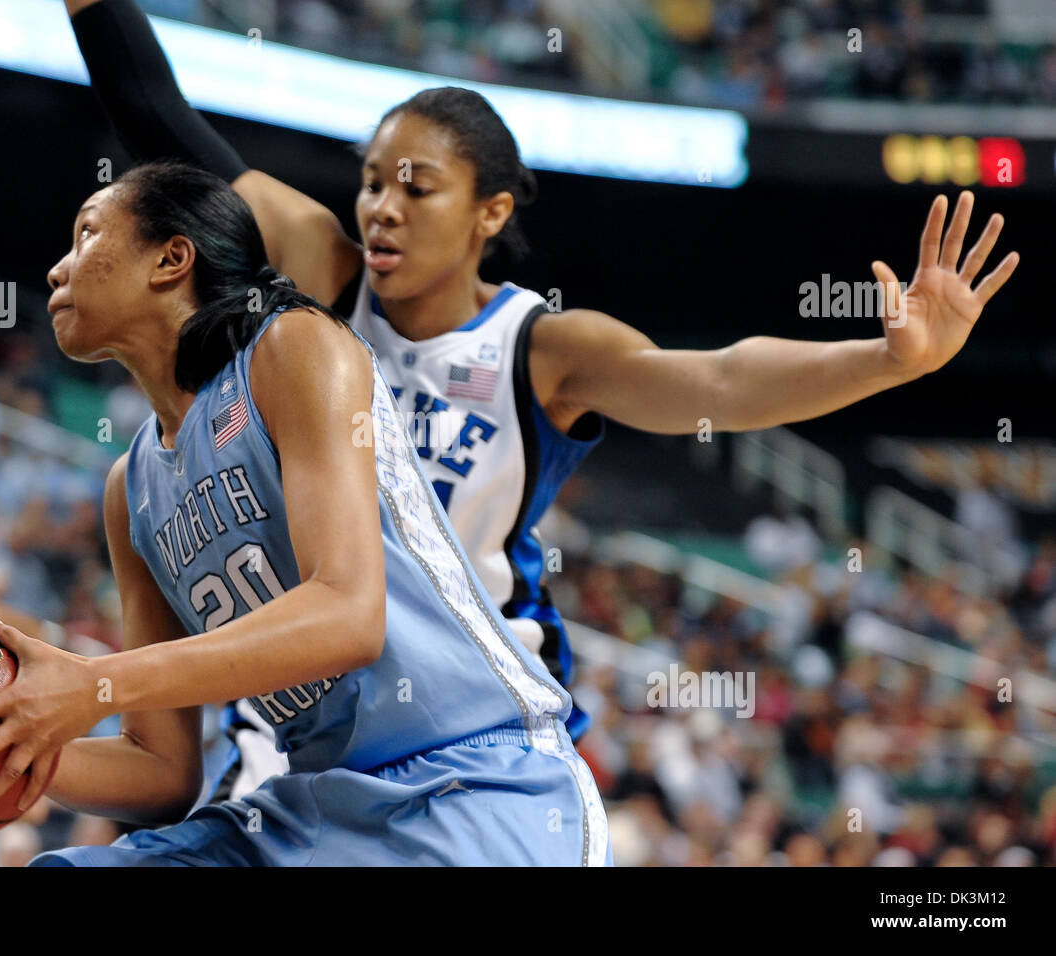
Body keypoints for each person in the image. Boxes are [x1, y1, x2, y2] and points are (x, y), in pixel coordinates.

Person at [59, 0, 1019, 758]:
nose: (381, 208)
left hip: (474, 708)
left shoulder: (539, 347)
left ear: (490, 212)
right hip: (316, 716)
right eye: (372, 179)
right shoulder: (323, 272)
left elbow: (721, 384)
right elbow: (165, 128)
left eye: (417, 187)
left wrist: (890, 359)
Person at [0, 161, 610, 865]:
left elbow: (348, 617)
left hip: (477, 781)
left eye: (86, 235)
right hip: (316, 806)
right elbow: (161, 772)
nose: (56, 270)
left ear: (171, 258)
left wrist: (94, 683)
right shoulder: (128, 486)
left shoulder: (294, 347)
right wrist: (1, 743)